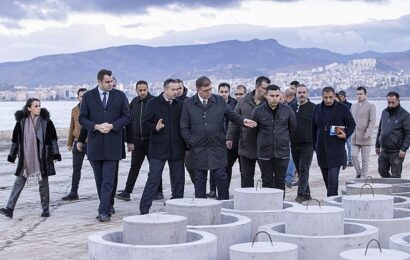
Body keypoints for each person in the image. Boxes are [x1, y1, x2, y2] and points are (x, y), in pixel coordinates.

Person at [180, 76, 257, 200]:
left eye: (210, 89)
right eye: (205, 90)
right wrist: (191, 141)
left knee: (221, 176)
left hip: (216, 145)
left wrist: (243, 121)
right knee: (200, 178)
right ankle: (201, 205)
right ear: (198, 89)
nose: (209, 92)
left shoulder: (219, 101)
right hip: (198, 147)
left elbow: (231, 115)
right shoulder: (188, 104)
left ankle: (223, 203)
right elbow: (184, 126)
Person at [79, 69, 130, 222]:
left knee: (108, 179)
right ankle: (107, 205)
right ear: (99, 82)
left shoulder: (120, 95)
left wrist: (113, 126)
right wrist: (95, 126)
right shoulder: (88, 96)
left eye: (112, 81)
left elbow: (127, 117)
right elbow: (82, 119)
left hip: (113, 143)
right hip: (94, 145)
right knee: (99, 180)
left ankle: (103, 212)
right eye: (107, 82)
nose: (111, 84)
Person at [0, 98, 61, 219]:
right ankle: (9, 208)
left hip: (42, 157)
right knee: (18, 183)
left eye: (39, 106)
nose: (39, 108)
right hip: (26, 159)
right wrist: (12, 155)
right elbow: (15, 141)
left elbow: (53, 139)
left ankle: (45, 209)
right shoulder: (21, 122)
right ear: (29, 108)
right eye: (36, 106)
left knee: (43, 184)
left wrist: (55, 154)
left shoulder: (46, 121)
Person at [140, 79, 186, 214]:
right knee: (153, 178)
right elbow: (145, 123)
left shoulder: (181, 104)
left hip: (177, 147)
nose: (176, 92)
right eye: (173, 90)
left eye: (178, 89)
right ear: (165, 89)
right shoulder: (152, 103)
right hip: (158, 148)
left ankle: (178, 207)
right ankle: (144, 209)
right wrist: (155, 127)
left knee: (178, 180)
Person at [115, 80, 164, 201]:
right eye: (140, 90)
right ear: (136, 90)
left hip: (151, 141)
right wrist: (129, 140)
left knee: (155, 168)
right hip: (137, 141)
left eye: (144, 90)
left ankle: (159, 191)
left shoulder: (154, 102)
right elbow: (129, 122)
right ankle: (127, 192)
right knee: (134, 167)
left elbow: (159, 121)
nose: (142, 92)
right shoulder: (134, 103)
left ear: (148, 89)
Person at [226, 76, 270, 187]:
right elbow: (234, 120)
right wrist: (230, 137)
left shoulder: (269, 102)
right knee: (246, 177)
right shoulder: (243, 101)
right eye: (264, 88)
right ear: (257, 87)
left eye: (267, 89)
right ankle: (246, 201)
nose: (266, 91)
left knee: (267, 177)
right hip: (246, 145)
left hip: (264, 146)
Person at [252, 84, 297, 192]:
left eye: (277, 95)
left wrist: (284, 140)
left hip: (282, 153)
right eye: (272, 96)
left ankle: (280, 205)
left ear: (280, 96)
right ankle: (268, 206)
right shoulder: (258, 111)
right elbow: (253, 131)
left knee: (280, 181)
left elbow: (293, 128)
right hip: (264, 153)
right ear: (266, 96)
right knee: (267, 181)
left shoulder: (287, 110)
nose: (275, 98)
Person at [312, 87, 355, 197]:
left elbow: (351, 124)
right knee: (327, 180)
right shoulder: (317, 108)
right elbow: (313, 129)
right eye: (325, 97)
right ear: (322, 97)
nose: (328, 100)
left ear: (334, 96)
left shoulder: (343, 108)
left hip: (336, 149)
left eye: (330, 97)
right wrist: (314, 146)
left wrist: (346, 134)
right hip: (321, 149)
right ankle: (333, 198)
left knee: (333, 179)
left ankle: (331, 202)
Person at [207, 83, 239, 198]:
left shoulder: (234, 103)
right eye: (222, 92)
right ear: (218, 91)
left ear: (229, 92)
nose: (224, 94)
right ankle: (212, 190)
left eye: (226, 92)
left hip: (230, 141)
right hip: (216, 140)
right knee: (213, 167)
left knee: (226, 168)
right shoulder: (213, 102)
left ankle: (224, 190)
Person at [290, 84, 316, 203]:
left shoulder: (314, 108)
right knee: (300, 170)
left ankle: (300, 194)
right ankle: (307, 194)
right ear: (296, 94)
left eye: (304, 92)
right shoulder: (292, 107)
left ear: (307, 94)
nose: (301, 94)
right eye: (299, 92)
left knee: (304, 169)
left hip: (308, 144)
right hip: (294, 144)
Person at [376, 91, 410, 178]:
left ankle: (395, 189)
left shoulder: (405, 115)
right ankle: (389, 186)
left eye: (393, 102)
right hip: (384, 150)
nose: (390, 104)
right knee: (382, 170)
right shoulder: (384, 112)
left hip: (397, 151)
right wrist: (377, 145)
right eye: (389, 102)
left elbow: (408, 133)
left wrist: (404, 148)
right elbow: (380, 129)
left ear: (398, 101)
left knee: (396, 175)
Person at [62, 88, 88, 201]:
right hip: (77, 142)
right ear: (78, 97)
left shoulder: (92, 109)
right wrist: (69, 142)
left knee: (96, 168)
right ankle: (73, 192)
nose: (83, 98)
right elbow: (72, 126)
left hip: (89, 143)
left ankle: (103, 192)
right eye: (81, 96)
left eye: (85, 96)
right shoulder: (74, 110)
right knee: (76, 168)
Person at [350, 86, 376, 179]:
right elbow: (350, 120)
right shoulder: (353, 106)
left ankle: (363, 177)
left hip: (366, 137)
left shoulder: (371, 106)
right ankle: (359, 173)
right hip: (354, 137)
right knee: (353, 156)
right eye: (357, 94)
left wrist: (368, 132)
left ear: (365, 94)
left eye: (361, 94)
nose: (359, 96)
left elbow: (372, 121)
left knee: (365, 160)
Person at [284, 87, 298, 188]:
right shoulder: (294, 105)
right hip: (292, 135)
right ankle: (289, 178)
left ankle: (288, 178)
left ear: (287, 96)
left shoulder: (291, 106)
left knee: (291, 158)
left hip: (291, 136)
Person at [338, 90, 353, 167]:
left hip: (347, 128)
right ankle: (343, 160)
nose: (340, 98)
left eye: (341, 96)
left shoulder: (350, 105)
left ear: (344, 97)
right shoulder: (337, 105)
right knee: (341, 146)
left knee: (349, 145)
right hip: (340, 128)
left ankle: (350, 160)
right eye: (339, 96)